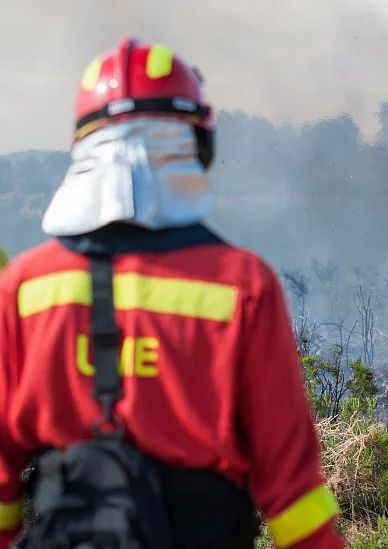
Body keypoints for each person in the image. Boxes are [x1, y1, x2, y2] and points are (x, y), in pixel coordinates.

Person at [0, 39, 346, 548]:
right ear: (196, 145)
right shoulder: (241, 287)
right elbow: (292, 492)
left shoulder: (25, 289)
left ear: (81, 147)